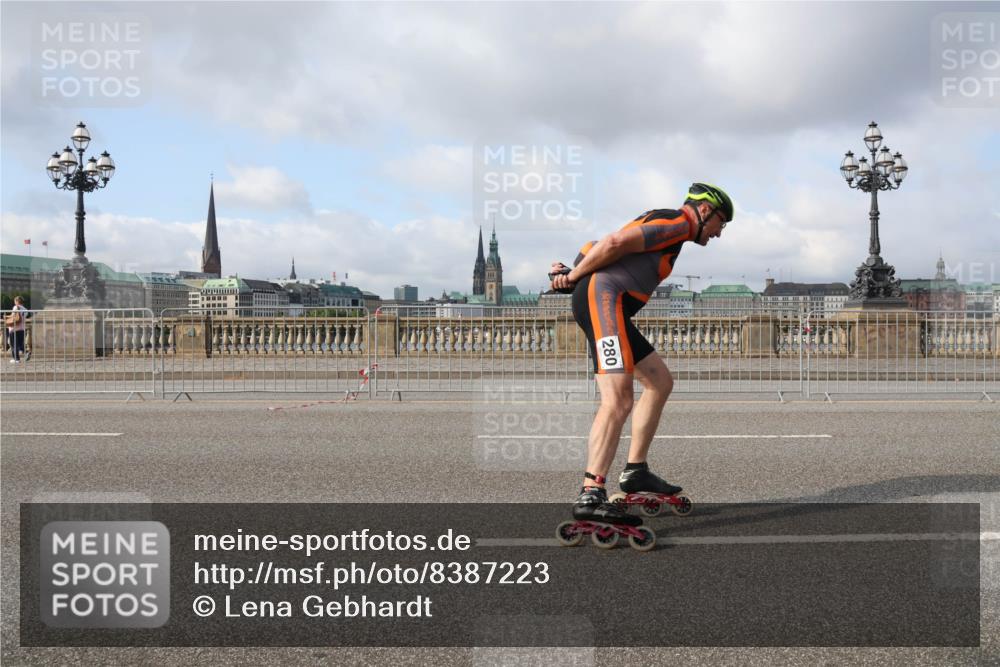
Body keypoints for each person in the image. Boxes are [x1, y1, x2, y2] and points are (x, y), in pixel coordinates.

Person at [550, 183, 734, 526]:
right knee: (617, 400)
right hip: (605, 302)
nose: (718, 233)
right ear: (705, 211)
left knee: (659, 381)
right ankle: (591, 493)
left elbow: (596, 247)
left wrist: (570, 271)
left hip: (609, 304)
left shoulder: (668, 228)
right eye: (720, 224)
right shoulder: (678, 222)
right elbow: (613, 244)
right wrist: (575, 276)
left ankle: (636, 471)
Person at [6, 295, 28, 364]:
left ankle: (16, 359)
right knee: (20, 344)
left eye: (15, 301)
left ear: (17, 301)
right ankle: (26, 352)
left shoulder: (16, 307)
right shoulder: (25, 309)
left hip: (14, 328)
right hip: (21, 328)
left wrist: (6, 316)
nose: (14, 302)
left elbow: (13, 316)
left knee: (13, 344)